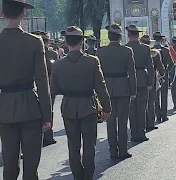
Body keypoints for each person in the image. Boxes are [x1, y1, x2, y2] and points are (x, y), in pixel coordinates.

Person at [0, 0, 52, 179]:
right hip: (30, 107)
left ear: (3, 14)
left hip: (4, 107)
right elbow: (42, 80)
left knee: (9, 164)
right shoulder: (34, 42)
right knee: (31, 165)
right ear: (23, 15)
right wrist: (47, 115)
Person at [51, 26, 111, 180]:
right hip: (88, 105)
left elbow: (54, 89)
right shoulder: (92, 61)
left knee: (73, 145)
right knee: (89, 145)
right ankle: (88, 176)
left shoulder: (58, 64)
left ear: (66, 42)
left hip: (69, 105)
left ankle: (78, 176)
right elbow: (101, 86)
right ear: (81, 42)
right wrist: (107, 107)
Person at [97, 24, 137, 159]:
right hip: (123, 88)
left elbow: (98, 75)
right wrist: (133, 91)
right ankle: (123, 149)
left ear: (108, 37)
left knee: (110, 122)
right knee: (123, 121)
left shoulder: (100, 52)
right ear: (120, 37)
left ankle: (113, 150)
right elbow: (132, 73)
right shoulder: (127, 51)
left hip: (107, 88)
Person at [125, 25, 155, 139]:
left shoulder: (125, 48)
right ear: (138, 36)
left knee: (132, 110)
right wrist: (150, 82)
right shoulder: (145, 48)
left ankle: (133, 133)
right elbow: (150, 67)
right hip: (142, 78)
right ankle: (141, 133)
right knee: (142, 108)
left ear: (128, 36)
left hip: (128, 80)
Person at [31, 31, 58, 147]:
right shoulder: (33, 51)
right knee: (38, 111)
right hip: (34, 84)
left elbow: (55, 70)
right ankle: (43, 135)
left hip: (48, 83)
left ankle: (48, 135)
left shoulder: (52, 54)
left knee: (48, 109)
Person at [140, 34, 165, 130]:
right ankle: (150, 123)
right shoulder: (155, 53)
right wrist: (162, 74)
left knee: (141, 103)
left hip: (140, 79)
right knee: (151, 102)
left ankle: (142, 123)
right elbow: (160, 67)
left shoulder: (136, 51)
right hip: (152, 78)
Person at [153, 32, 174, 122]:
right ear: (161, 39)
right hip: (164, 74)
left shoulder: (151, 49)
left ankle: (158, 115)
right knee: (164, 96)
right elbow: (171, 63)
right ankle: (164, 115)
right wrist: (166, 71)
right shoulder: (166, 50)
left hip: (155, 75)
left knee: (156, 97)